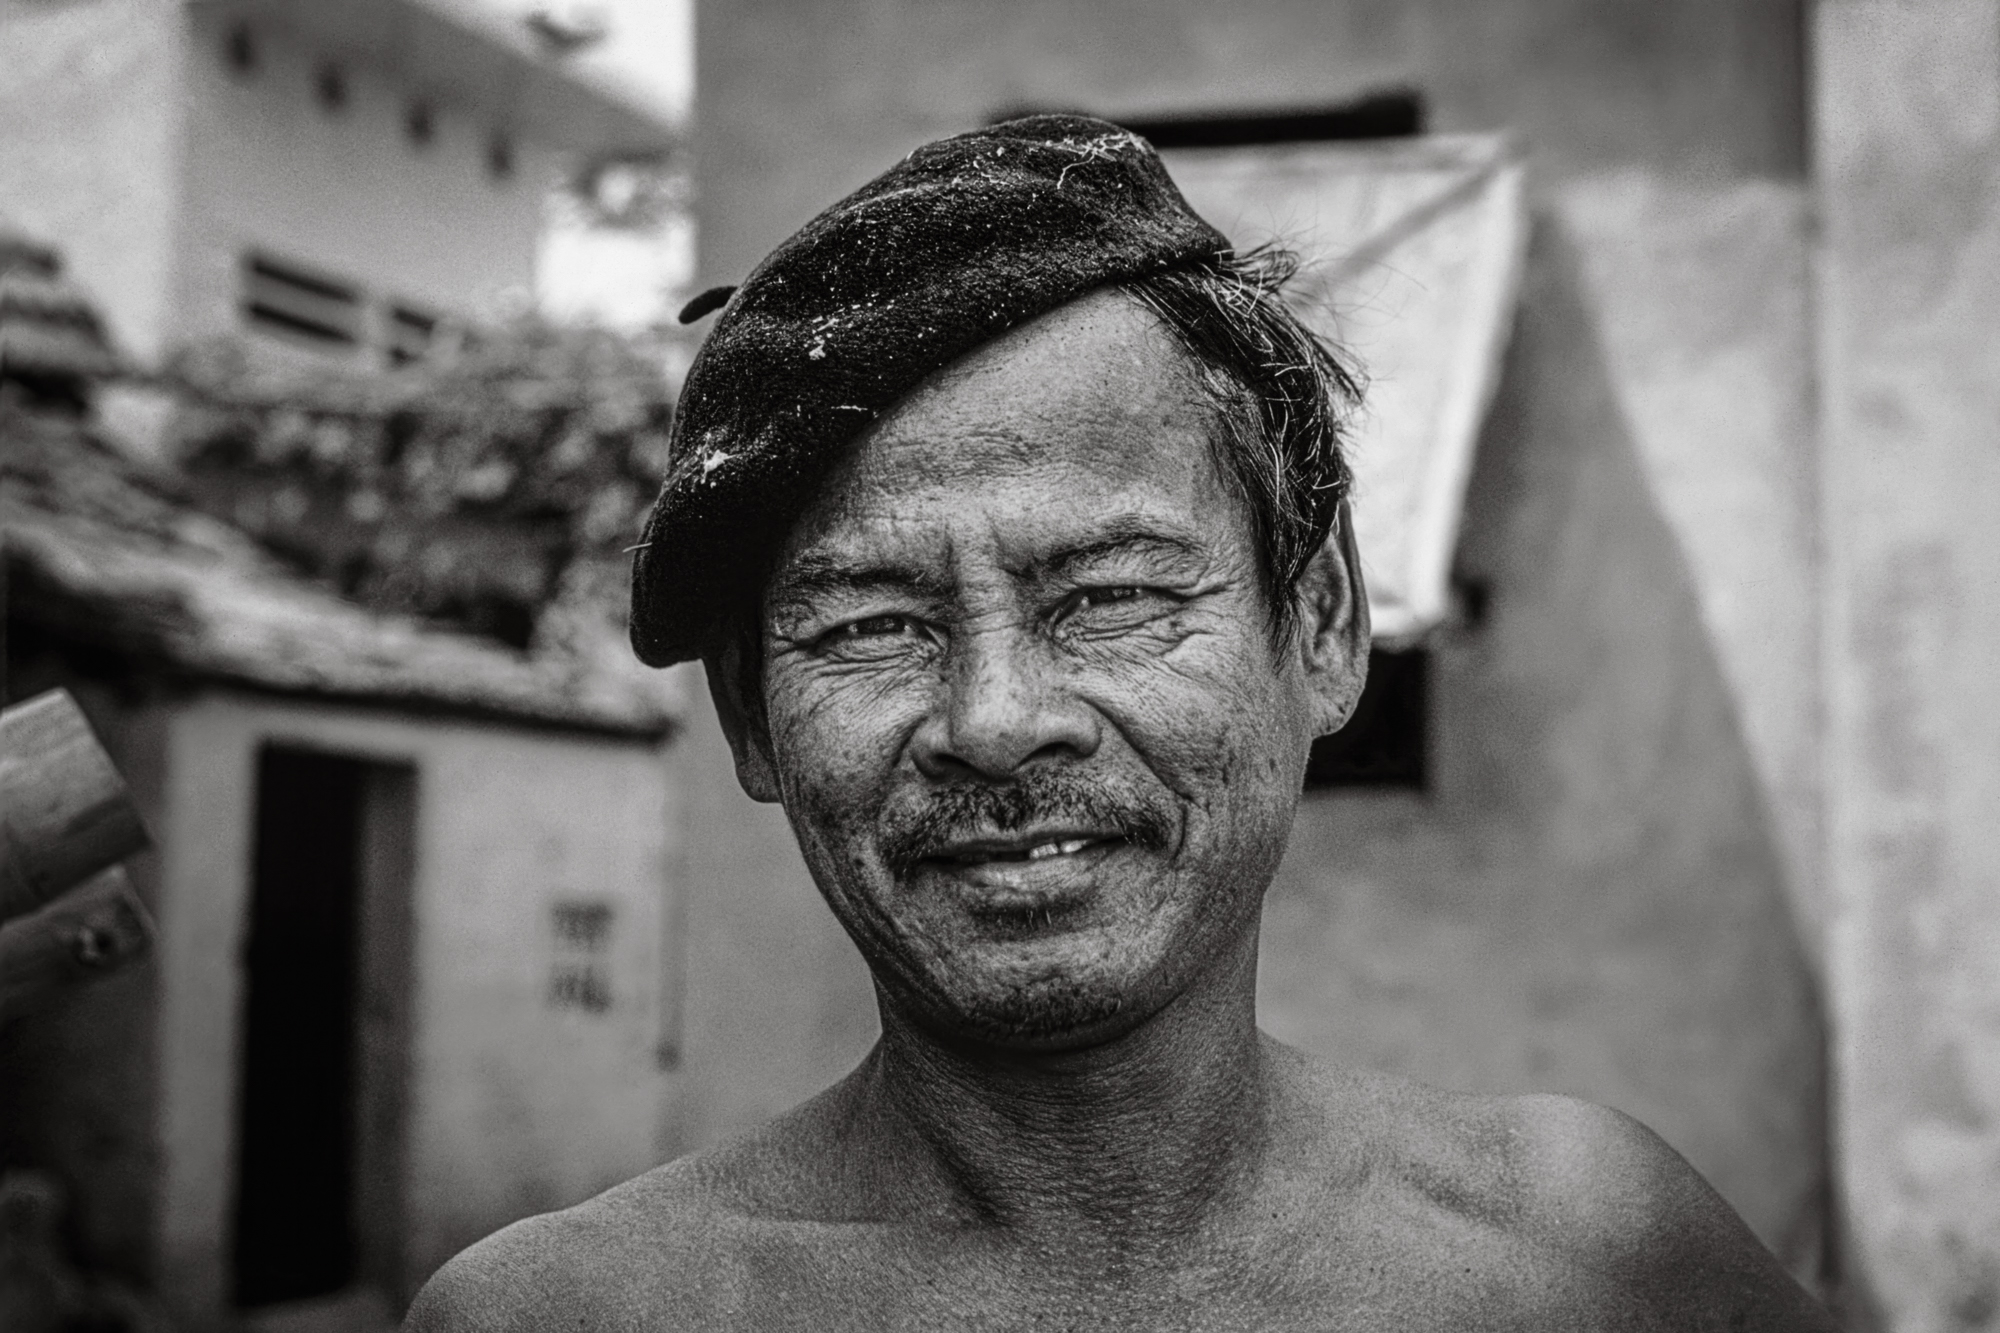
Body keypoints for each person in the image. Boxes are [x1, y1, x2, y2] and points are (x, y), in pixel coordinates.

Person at [407, 115, 1836, 1332]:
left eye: (1107, 596)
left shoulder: (1589, 1266)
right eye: (869, 626)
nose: (994, 719)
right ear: (751, 719)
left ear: (1323, 627)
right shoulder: (572, 1315)